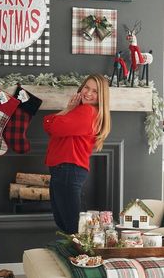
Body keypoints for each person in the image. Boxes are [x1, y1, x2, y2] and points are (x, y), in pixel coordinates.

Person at [43, 74, 111, 234]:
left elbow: (51, 126)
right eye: (86, 87)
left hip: (68, 169)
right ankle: (77, 257)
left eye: (95, 91)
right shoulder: (80, 111)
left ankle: (83, 257)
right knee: (67, 222)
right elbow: (49, 126)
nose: (88, 93)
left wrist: (67, 111)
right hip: (65, 170)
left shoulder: (87, 111)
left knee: (73, 226)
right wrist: (68, 109)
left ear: (101, 97)